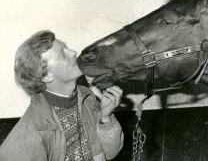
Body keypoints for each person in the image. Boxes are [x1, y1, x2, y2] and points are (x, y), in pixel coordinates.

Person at [0, 30, 124, 161]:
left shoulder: (88, 99)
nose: (73, 53)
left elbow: (110, 154)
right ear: (47, 76)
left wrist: (105, 118)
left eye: (67, 48)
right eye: (62, 55)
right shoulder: (29, 132)